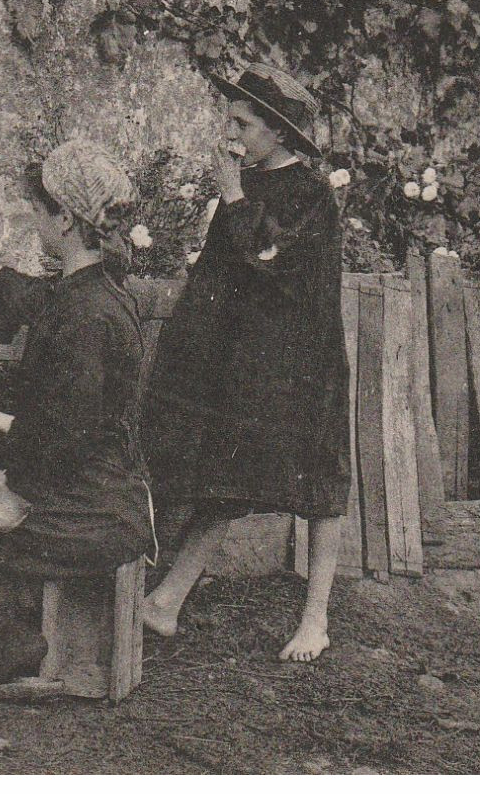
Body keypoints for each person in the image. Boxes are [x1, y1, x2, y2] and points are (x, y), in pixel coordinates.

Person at [141, 63, 349, 663]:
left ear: (279, 134)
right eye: (229, 121)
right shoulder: (248, 188)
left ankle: (315, 620)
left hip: (302, 364)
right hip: (247, 363)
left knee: (319, 489)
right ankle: (166, 603)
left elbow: (267, 255)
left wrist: (231, 195)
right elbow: (220, 273)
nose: (231, 135)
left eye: (243, 124)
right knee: (223, 480)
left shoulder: (311, 195)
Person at [0, 140, 155, 684]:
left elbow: (58, 441)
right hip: (99, 487)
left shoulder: (83, 316)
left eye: (38, 212)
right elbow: (25, 294)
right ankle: (10, 643)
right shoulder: (93, 290)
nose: (33, 222)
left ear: (62, 218)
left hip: (91, 508)